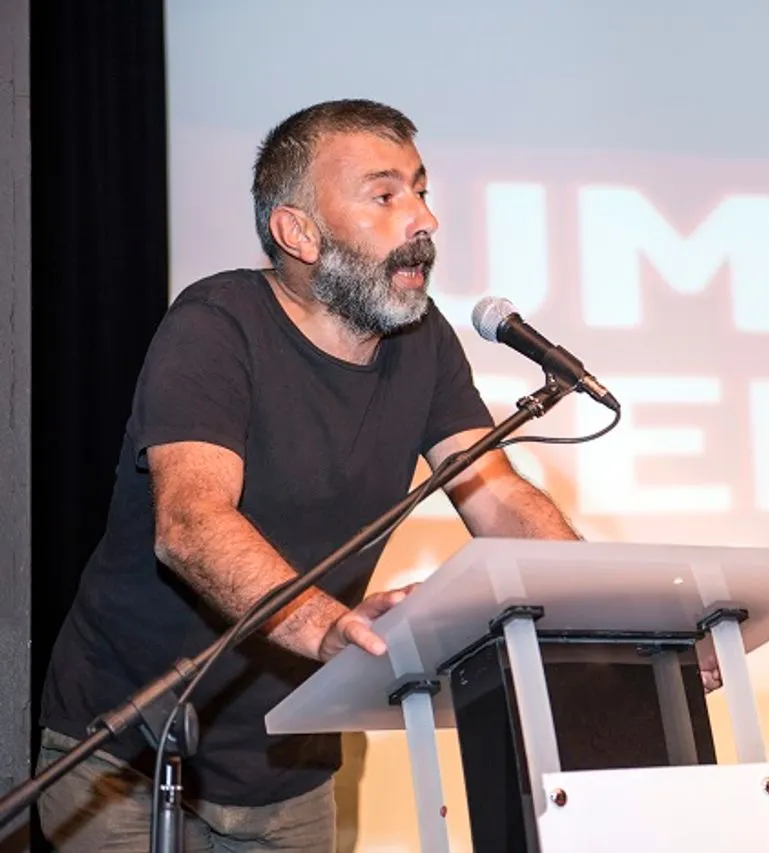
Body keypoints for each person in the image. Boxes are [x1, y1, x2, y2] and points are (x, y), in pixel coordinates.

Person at [36, 99, 581, 852]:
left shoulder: (425, 345)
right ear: (298, 233)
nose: (422, 218)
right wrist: (329, 626)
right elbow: (191, 525)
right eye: (386, 195)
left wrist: (603, 628)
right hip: (130, 754)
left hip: (291, 767)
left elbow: (500, 497)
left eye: (422, 190)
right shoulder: (216, 326)